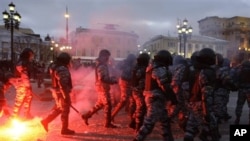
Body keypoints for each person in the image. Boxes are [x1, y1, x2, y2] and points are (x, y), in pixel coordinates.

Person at [133, 50, 174, 141]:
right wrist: (173, 98)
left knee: (165, 123)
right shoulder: (158, 69)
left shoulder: (152, 67)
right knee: (148, 124)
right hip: (155, 99)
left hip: (155, 98)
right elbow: (164, 85)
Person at [184, 48, 220, 141]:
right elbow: (206, 94)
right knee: (211, 131)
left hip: (193, 102)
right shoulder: (207, 72)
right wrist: (206, 112)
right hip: (202, 105)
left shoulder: (195, 70)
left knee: (190, 130)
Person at [81, 49, 118, 128]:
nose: (108, 58)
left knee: (99, 104)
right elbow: (103, 78)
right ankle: (107, 123)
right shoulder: (102, 66)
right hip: (102, 87)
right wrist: (112, 80)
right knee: (108, 104)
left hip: (101, 87)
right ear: (104, 56)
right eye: (107, 57)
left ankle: (86, 116)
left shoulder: (101, 64)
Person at [40, 52, 75, 135]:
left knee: (60, 108)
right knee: (65, 110)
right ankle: (64, 129)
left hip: (57, 91)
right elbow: (63, 84)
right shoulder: (62, 69)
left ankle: (46, 121)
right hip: (62, 92)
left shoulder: (55, 66)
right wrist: (66, 96)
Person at [111, 54, 136, 121]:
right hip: (124, 82)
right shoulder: (125, 63)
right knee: (124, 100)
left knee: (132, 100)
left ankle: (132, 117)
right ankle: (112, 115)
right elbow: (116, 69)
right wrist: (119, 75)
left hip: (128, 82)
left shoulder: (129, 64)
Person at [129, 53, 150, 132]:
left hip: (137, 90)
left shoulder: (137, 67)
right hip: (138, 91)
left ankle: (134, 122)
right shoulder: (141, 69)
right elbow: (137, 79)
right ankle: (137, 127)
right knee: (141, 108)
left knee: (142, 108)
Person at [12, 48, 34, 119]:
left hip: (22, 83)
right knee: (19, 100)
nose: (31, 57)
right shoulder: (22, 63)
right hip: (22, 84)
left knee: (28, 98)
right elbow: (24, 75)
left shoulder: (22, 62)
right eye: (31, 55)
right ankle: (14, 117)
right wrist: (28, 86)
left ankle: (26, 115)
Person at [233, 53, 250, 124]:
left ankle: (237, 118)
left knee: (239, 105)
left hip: (241, 90)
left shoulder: (239, 71)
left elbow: (235, 79)